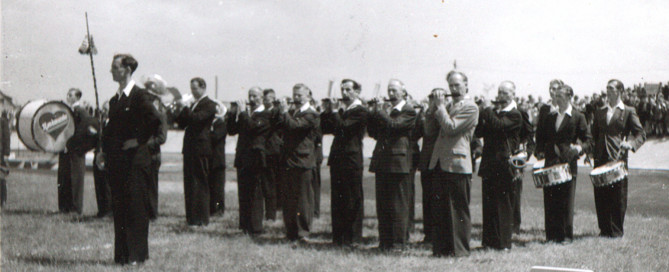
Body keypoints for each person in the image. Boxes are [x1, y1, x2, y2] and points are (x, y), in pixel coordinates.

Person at [97, 54, 161, 265]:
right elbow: (110, 131)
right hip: (118, 163)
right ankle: (122, 256)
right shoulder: (116, 100)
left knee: (135, 209)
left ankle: (137, 256)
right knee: (121, 207)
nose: (111, 70)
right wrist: (102, 151)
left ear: (126, 69)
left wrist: (138, 140)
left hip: (135, 162)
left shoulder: (140, 95)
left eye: (115, 67)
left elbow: (155, 121)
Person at [427, 71, 479, 257]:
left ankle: (460, 250)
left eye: (457, 85)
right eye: (451, 85)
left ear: (466, 85)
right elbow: (429, 130)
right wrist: (432, 108)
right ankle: (441, 249)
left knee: (458, 209)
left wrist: (440, 108)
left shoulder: (471, 107)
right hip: (441, 161)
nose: (454, 89)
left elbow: (451, 128)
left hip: (458, 163)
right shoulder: (447, 105)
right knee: (440, 209)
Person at [535, 85, 592, 243]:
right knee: (550, 199)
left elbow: (588, 140)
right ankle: (551, 235)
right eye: (555, 95)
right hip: (550, 163)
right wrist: (539, 151)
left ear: (569, 97)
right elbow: (540, 137)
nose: (556, 98)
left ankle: (566, 236)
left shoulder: (578, 116)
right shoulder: (550, 116)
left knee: (566, 201)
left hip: (567, 164)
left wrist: (579, 148)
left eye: (560, 96)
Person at [590, 79, 645, 237]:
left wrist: (631, 144)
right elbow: (594, 135)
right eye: (607, 88)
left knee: (617, 196)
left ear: (620, 91)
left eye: (611, 88)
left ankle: (616, 231)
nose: (608, 91)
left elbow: (641, 133)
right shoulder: (600, 111)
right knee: (601, 195)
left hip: (617, 158)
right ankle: (604, 230)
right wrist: (590, 152)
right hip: (600, 157)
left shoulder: (628, 111)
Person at [368, 79, 416, 250]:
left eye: (395, 90)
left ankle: (398, 243)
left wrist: (380, 112)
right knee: (383, 205)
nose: (391, 93)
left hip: (398, 163)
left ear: (403, 92)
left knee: (398, 205)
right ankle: (385, 242)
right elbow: (373, 133)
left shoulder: (409, 111)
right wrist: (373, 113)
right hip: (383, 162)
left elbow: (394, 125)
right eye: (389, 90)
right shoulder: (387, 111)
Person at [475, 80, 523, 250]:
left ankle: (503, 243)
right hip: (489, 163)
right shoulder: (494, 113)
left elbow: (500, 127)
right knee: (488, 204)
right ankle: (488, 241)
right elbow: (479, 132)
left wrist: (487, 110)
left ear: (513, 95)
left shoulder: (515, 114)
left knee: (503, 205)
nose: (501, 96)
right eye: (500, 92)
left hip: (504, 165)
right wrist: (482, 113)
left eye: (505, 93)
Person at [320, 79, 368, 246]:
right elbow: (325, 128)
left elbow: (343, 128)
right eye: (342, 89)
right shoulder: (342, 110)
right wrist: (326, 111)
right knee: (338, 199)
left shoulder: (360, 110)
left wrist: (333, 112)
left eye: (348, 89)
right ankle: (339, 237)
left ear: (357, 91)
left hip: (351, 159)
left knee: (352, 199)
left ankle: (353, 237)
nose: (344, 93)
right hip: (338, 159)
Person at [274, 83, 320, 241]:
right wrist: (280, 111)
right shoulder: (293, 112)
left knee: (303, 199)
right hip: (289, 160)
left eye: (299, 95)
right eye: (294, 95)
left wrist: (285, 112)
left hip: (303, 161)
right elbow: (279, 126)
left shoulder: (311, 114)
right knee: (289, 199)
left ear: (308, 96)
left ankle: (303, 233)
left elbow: (294, 127)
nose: (296, 98)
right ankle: (291, 231)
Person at [227, 87, 270, 234]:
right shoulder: (248, 115)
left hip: (256, 159)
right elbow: (232, 130)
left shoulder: (265, 114)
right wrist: (233, 114)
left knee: (255, 194)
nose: (251, 99)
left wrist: (243, 112)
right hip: (243, 158)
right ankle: (245, 225)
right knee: (243, 193)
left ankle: (256, 227)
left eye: (255, 96)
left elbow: (252, 127)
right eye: (250, 96)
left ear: (262, 98)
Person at [176, 77, 217, 226]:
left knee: (200, 183)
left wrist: (186, 107)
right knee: (190, 183)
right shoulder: (194, 104)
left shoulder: (209, 104)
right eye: (191, 88)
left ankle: (202, 218)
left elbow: (197, 119)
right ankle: (192, 217)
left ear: (203, 88)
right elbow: (181, 123)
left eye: (195, 88)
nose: (192, 91)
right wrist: (181, 109)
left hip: (201, 148)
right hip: (190, 148)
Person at [415, 88, 448, 244]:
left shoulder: (445, 112)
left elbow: (430, 131)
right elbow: (421, 133)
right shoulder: (428, 114)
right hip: (427, 161)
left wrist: (435, 110)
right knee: (427, 199)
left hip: (440, 162)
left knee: (438, 200)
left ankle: (437, 235)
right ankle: (429, 235)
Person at [58, 88, 96, 214]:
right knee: (65, 179)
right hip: (66, 151)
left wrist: (79, 147)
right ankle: (65, 208)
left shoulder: (81, 111)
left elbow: (84, 130)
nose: (68, 96)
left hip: (75, 152)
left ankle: (75, 208)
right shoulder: (68, 111)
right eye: (67, 94)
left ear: (77, 97)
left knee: (75, 180)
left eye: (71, 95)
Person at [144, 79, 169, 220]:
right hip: (143, 152)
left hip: (152, 154)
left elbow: (162, 137)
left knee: (151, 185)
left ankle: (152, 213)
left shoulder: (161, 114)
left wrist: (146, 143)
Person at [262, 88, 283, 219]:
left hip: (272, 150)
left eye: (269, 97)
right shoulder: (262, 111)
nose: (266, 100)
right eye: (264, 97)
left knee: (271, 183)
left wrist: (280, 107)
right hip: (263, 149)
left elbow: (279, 121)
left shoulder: (276, 111)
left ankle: (271, 214)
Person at [209, 99, 227, 216]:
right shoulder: (212, 123)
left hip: (218, 159)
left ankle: (218, 209)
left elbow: (215, 137)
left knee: (218, 186)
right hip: (211, 158)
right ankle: (212, 208)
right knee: (211, 185)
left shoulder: (221, 123)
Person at [0, 110, 10, 208]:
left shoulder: (3, 121)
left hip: (0, 154)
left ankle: (2, 200)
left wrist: (6, 153)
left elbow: (7, 137)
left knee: (1, 178)